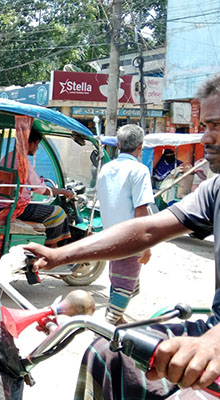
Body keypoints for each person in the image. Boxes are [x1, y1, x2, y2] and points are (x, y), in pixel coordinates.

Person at [24, 74, 220, 400]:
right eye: (206, 126)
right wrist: (60, 255)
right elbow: (146, 227)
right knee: (108, 353)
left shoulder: (111, 168)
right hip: (209, 328)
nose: (206, 137)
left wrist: (213, 343)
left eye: (216, 126)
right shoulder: (214, 189)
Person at [96, 124, 154, 325]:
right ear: (140, 146)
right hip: (130, 236)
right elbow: (140, 210)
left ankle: (117, 316)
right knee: (125, 283)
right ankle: (109, 323)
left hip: (109, 235)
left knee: (119, 278)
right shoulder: (139, 170)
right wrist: (146, 244)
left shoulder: (106, 168)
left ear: (118, 145)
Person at [1, 128, 75, 246]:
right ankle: (51, 248)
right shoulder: (22, 161)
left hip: (5, 202)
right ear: (30, 143)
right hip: (15, 207)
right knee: (59, 212)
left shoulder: (9, 155)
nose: (37, 148)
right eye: (37, 144)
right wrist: (64, 192)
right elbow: (41, 189)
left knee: (47, 210)